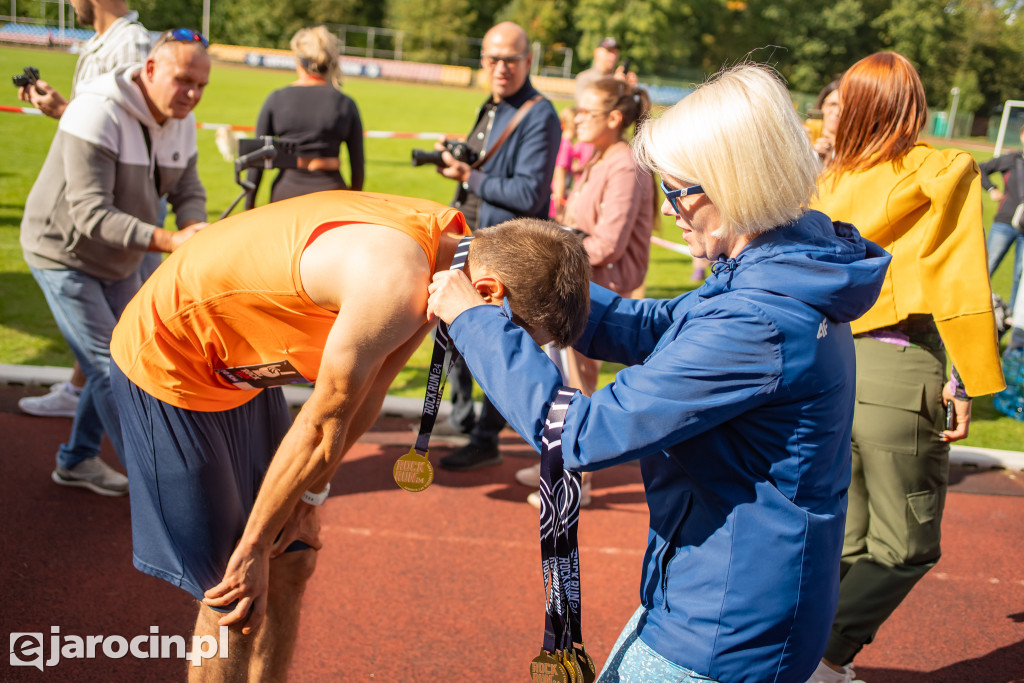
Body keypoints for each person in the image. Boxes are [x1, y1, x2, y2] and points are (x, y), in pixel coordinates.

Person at [427, 63, 891, 683]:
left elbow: (585, 434)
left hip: (725, 625)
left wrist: (474, 321)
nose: (668, 208)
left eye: (678, 191)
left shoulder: (757, 320)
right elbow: (658, 327)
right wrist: (535, 282)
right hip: (729, 596)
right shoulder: (779, 269)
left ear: (735, 185)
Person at [108, 191, 591, 679]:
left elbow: (371, 389)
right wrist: (253, 546)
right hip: (173, 358)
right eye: (513, 335)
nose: (503, 352)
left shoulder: (451, 255)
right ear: (488, 292)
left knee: (294, 559)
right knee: (231, 590)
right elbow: (321, 425)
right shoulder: (395, 281)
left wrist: (312, 496)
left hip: (243, 367)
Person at [807, 52, 1005, 683]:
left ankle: (812, 655)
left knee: (851, 538)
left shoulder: (826, 182)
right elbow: (957, 274)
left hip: (831, 364)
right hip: (898, 364)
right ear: (913, 105)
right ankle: (824, 657)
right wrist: (971, 374)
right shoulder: (940, 170)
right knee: (907, 547)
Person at [19, 29, 210, 496]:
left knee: (126, 356)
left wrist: (195, 225)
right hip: (62, 252)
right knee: (113, 366)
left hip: (119, 258)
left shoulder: (180, 117)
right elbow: (89, 214)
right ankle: (160, 494)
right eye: (183, 79)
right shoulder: (97, 110)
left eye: (201, 85)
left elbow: (187, 186)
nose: (192, 94)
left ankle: (78, 460)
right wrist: (170, 239)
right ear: (149, 70)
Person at [518, 77, 655, 508]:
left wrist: (554, 256)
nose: (575, 119)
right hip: (581, 281)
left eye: (586, 112)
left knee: (576, 386)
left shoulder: (623, 165)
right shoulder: (601, 159)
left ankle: (573, 482)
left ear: (615, 118)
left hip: (600, 288)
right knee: (563, 379)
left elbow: (609, 243)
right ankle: (555, 465)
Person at [433, 21, 562, 472]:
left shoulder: (539, 113)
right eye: (492, 58)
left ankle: (486, 437)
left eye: (510, 58)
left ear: (528, 61)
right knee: (455, 334)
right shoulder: (492, 105)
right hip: (473, 237)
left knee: (496, 339)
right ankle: (466, 420)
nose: (500, 67)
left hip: (506, 251)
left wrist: (470, 176)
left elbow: (529, 194)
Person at [16, 0, 152, 420]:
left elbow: (126, 129)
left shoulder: (129, 44)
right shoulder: (103, 42)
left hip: (108, 211)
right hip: (95, 208)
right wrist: (64, 109)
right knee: (110, 348)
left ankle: (147, 467)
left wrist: (64, 111)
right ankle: (79, 448)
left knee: (117, 352)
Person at [245, 25, 364, 209]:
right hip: (331, 196)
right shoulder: (345, 103)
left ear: (299, 61)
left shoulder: (276, 99)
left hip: (285, 195)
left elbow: (256, 163)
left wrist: (248, 208)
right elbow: (358, 168)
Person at [978, 122, 1024, 309]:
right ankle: (970, 310)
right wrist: (991, 189)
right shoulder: (1013, 159)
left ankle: (1011, 320)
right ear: (1022, 136)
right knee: (985, 267)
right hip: (1005, 222)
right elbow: (981, 168)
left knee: (1020, 277)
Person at [549, 106, 594, 220]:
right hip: (556, 202)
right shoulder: (566, 145)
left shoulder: (561, 141)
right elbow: (560, 175)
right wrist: (559, 207)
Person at [574, 36, 637, 103]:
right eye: (609, 51)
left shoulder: (619, 78)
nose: (613, 56)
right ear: (596, 53)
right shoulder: (585, 78)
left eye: (615, 52)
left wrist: (629, 89)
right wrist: (614, 85)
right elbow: (586, 106)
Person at [808, 80, 841, 162]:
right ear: (822, 106)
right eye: (833, 104)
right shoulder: (804, 137)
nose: (837, 112)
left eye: (844, 106)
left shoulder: (854, 152)